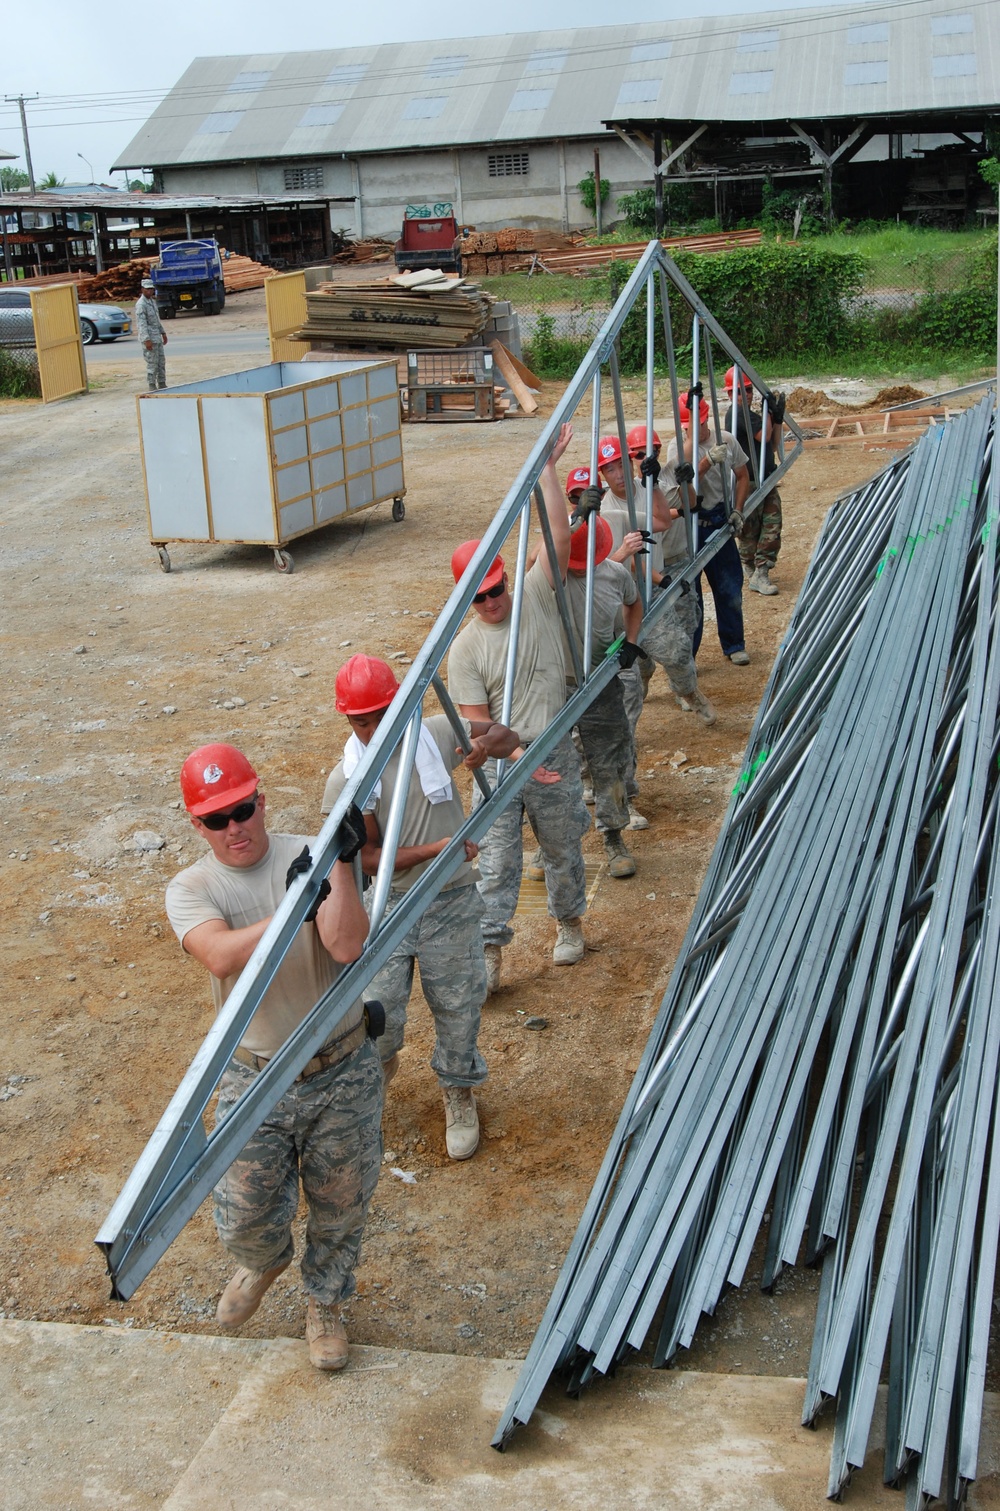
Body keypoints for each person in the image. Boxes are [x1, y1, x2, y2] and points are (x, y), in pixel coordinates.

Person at [165, 742, 381, 1371]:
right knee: (242, 1214)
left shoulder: (312, 855)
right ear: (197, 825)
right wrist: (292, 909)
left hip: (339, 1068)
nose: (234, 828)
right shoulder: (192, 887)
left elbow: (346, 946)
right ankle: (263, 1260)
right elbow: (220, 956)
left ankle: (326, 1304)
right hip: (255, 1075)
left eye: (242, 810)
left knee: (341, 1204)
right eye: (216, 819)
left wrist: (341, 865)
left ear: (261, 802)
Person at [322, 654, 519, 1161]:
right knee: (378, 1016)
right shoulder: (348, 780)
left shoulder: (432, 734)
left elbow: (506, 735)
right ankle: (373, 1090)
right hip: (390, 907)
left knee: (458, 1008)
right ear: (348, 721)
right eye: (361, 723)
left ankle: (458, 1091)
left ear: (400, 706)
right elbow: (366, 858)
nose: (373, 731)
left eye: (382, 717)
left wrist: (482, 747)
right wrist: (437, 849)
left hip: (451, 900)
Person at [448, 422, 590, 990]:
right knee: (496, 862)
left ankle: (569, 923)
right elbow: (475, 725)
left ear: (508, 578)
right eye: (479, 597)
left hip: (551, 746)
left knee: (561, 845)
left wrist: (548, 470)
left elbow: (557, 535)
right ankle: (490, 951)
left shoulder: (534, 594)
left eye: (496, 589)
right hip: (504, 765)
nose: (491, 602)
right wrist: (512, 754)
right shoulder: (465, 649)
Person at [594, 432, 716, 826]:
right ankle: (620, 797)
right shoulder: (603, 510)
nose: (616, 474)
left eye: (620, 465)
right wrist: (657, 574)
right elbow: (615, 563)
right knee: (628, 696)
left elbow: (663, 521)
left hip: (650, 595)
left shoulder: (647, 489)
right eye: (608, 469)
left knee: (678, 650)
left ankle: (688, 690)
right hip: (622, 607)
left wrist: (655, 485)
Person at [560, 512, 645, 879]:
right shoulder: (551, 579)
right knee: (555, 765)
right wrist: (568, 523)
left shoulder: (614, 573)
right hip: (557, 685)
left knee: (611, 759)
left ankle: (613, 836)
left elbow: (634, 603)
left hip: (600, 681)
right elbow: (533, 559)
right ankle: (553, 844)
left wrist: (630, 641)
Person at [663, 395, 751, 666]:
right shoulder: (677, 449)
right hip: (691, 525)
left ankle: (734, 644)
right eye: (690, 425)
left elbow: (743, 476)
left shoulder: (726, 440)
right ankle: (689, 657)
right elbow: (680, 491)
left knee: (729, 588)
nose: (696, 430)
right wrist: (707, 462)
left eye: (700, 423)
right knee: (691, 597)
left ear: (707, 417)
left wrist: (738, 510)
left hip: (719, 521)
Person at [724, 366, 786, 596]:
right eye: (739, 391)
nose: (745, 395)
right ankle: (750, 567)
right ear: (730, 394)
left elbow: (772, 443)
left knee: (772, 524)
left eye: (748, 390)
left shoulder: (751, 415)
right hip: (748, 483)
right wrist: (769, 414)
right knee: (751, 530)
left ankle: (761, 572)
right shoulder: (738, 413)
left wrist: (776, 418)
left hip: (765, 479)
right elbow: (765, 435)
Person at [135, 278, 167, 390]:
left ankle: (162, 383)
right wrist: (146, 340)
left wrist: (163, 332)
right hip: (149, 339)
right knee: (152, 363)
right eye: (147, 289)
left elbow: (156, 320)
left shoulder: (152, 302)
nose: (149, 291)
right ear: (142, 289)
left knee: (161, 362)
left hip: (157, 336)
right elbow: (141, 324)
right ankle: (152, 385)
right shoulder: (141, 304)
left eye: (151, 289)